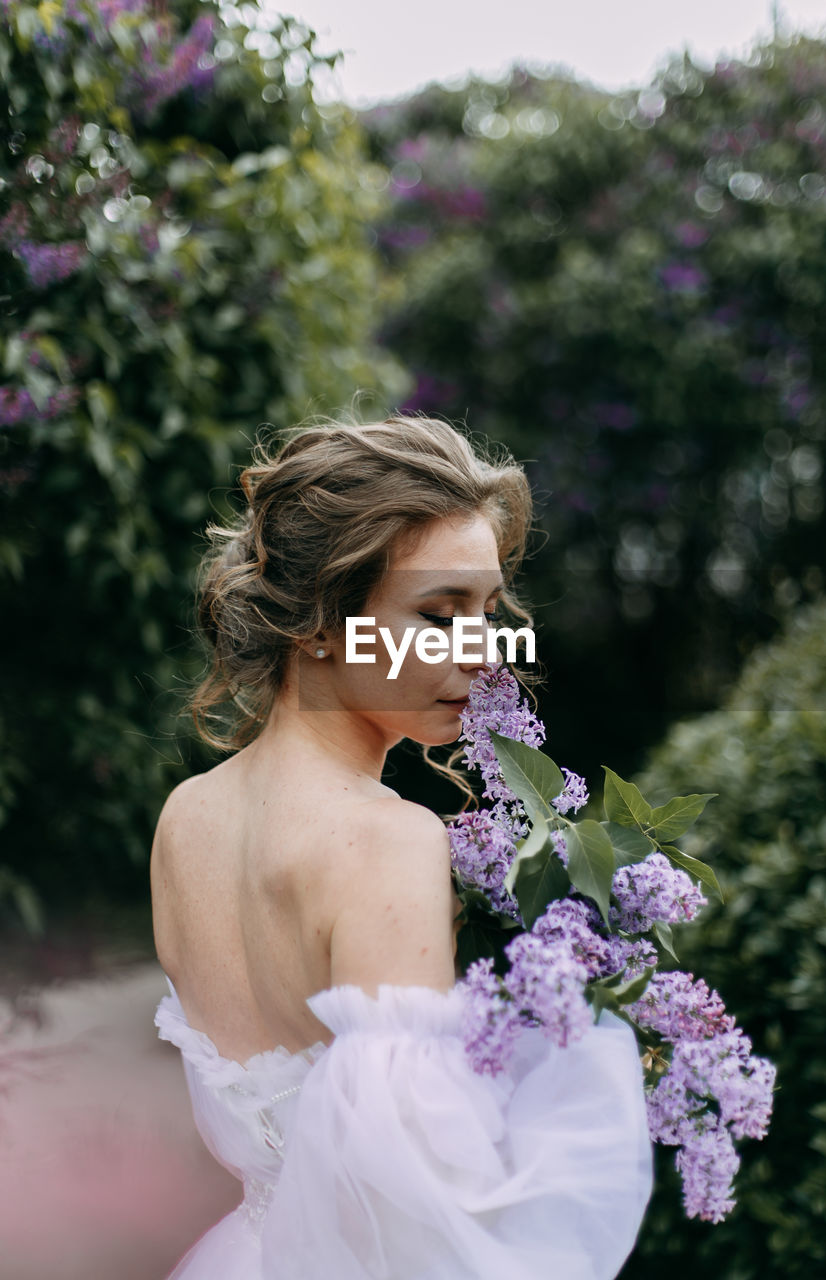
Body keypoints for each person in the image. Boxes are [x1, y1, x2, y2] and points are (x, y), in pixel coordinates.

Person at [150, 416, 653, 1279]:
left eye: (487, 611)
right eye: (438, 611)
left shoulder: (185, 817)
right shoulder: (390, 843)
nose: (484, 654)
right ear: (319, 620)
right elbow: (416, 1210)